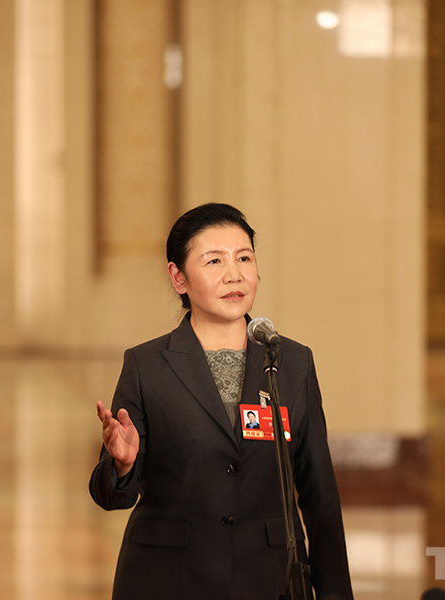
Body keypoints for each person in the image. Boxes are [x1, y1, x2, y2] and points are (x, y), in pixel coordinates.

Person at [89, 203, 353, 600]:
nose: (234, 274)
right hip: (168, 579)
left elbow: (320, 495)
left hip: (268, 578)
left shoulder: (292, 362)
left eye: (244, 258)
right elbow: (111, 496)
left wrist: (335, 594)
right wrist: (122, 465)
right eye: (214, 261)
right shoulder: (147, 366)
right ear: (178, 277)